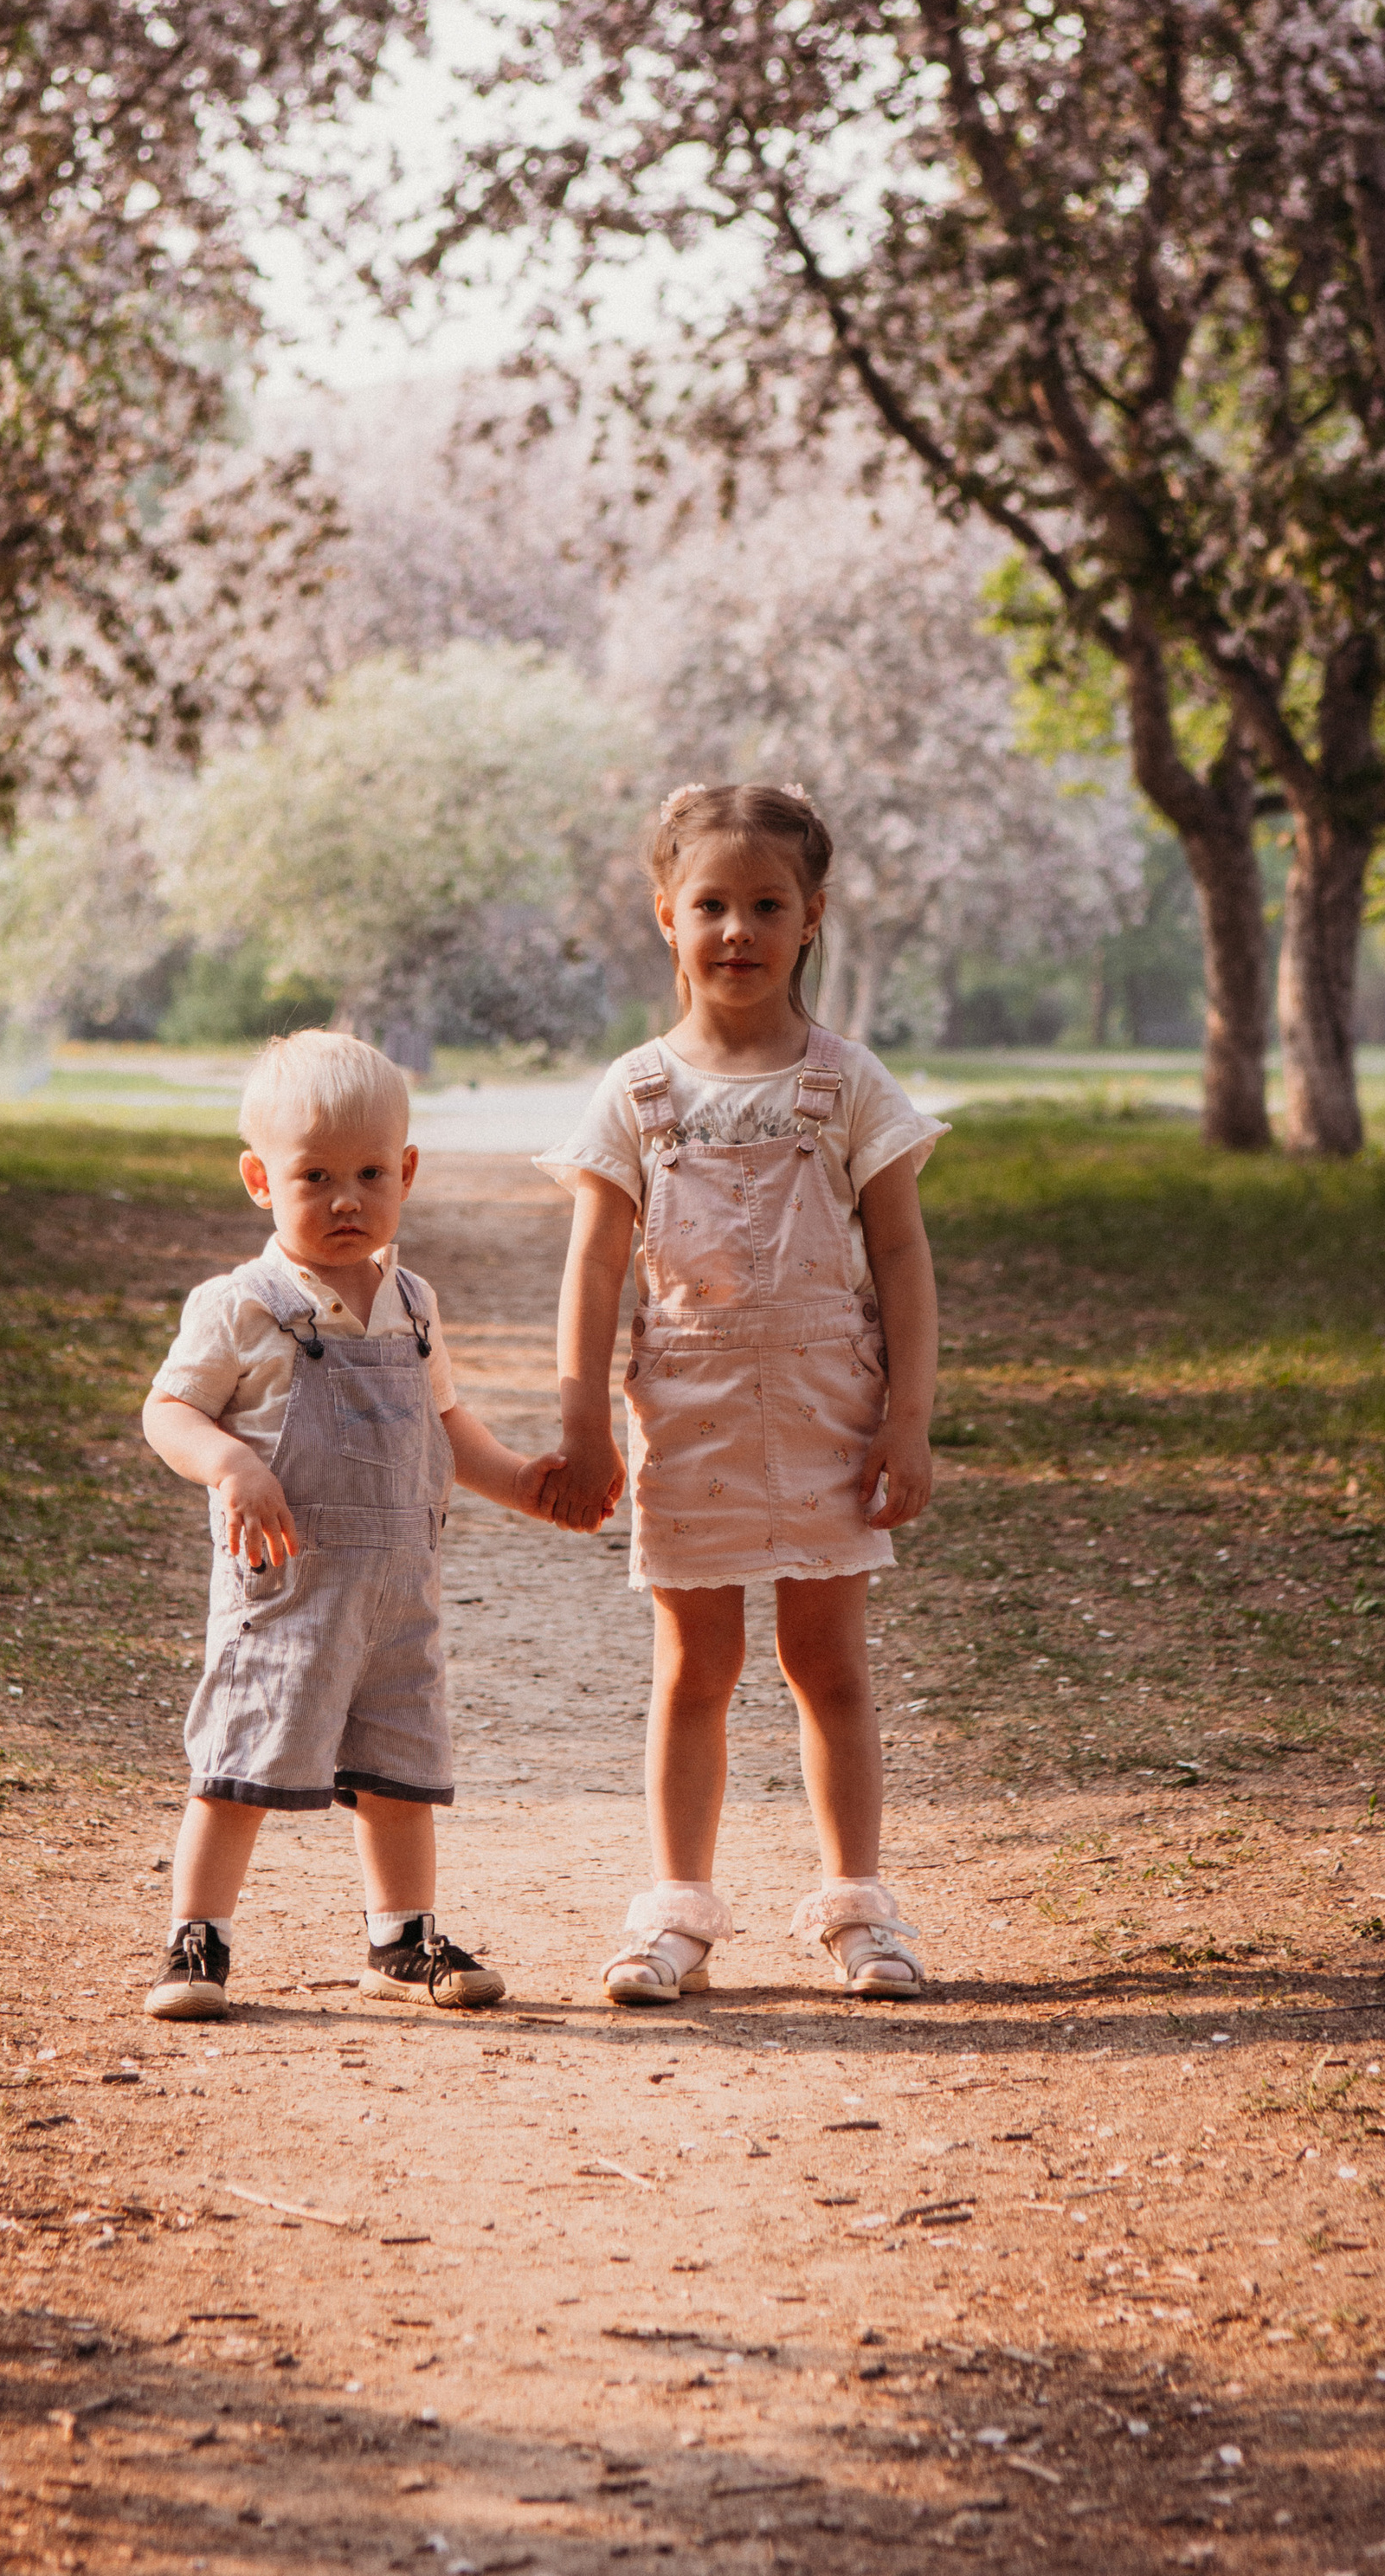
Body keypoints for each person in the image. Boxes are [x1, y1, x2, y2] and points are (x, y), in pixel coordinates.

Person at [538, 781, 947, 2005]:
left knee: (828, 1665)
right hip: (692, 1414)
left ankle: (860, 1908)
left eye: (766, 905)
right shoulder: (637, 1092)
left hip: (831, 1413)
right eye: (711, 904)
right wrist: (575, 1417)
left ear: (811, 917)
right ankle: (675, 1913)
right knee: (693, 1667)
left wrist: (910, 1417)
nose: (737, 931)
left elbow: (904, 1257)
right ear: (666, 916)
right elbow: (597, 1262)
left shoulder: (847, 1084)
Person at [141, 1026, 570, 2021]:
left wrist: (525, 1484)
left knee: (401, 1765)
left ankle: (401, 1936)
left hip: (394, 1592)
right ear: (258, 1180)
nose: (346, 1199)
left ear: (408, 1171)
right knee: (241, 1758)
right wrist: (231, 1462)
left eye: (371, 1172)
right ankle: (197, 1938)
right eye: (314, 1176)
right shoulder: (240, 1306)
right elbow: (167, 1411)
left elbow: (444, 1425)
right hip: (284, 1586)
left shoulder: (413, 1303)